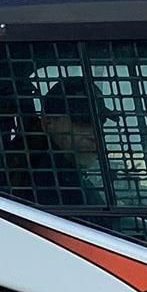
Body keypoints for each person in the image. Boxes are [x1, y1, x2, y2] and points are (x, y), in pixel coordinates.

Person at [20, 74, 111, 208]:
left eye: (100, 122)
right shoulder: (46, 183)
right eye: (83, 121)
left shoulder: (73, 179)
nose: (95, 135)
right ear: (47, 123)